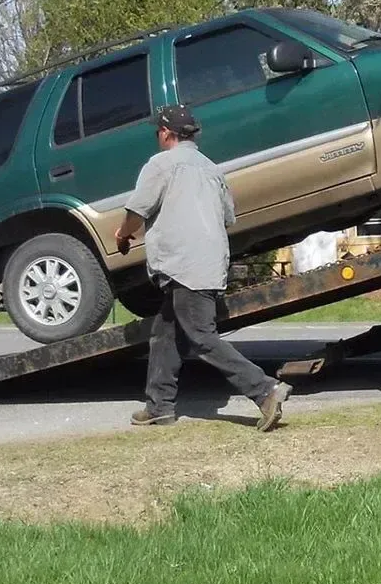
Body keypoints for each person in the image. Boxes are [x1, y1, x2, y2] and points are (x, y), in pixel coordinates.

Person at [115, 104, 291, 431]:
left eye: (158, 131)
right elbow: (228, 217)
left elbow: (136, 212)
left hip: (184, 264)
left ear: (166, 133)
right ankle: (159, 406)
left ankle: (265, 390)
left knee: (202, 338)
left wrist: (122, 234)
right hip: (209, 263)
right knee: (165, 334)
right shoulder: (212, 169)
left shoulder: (161, 164)